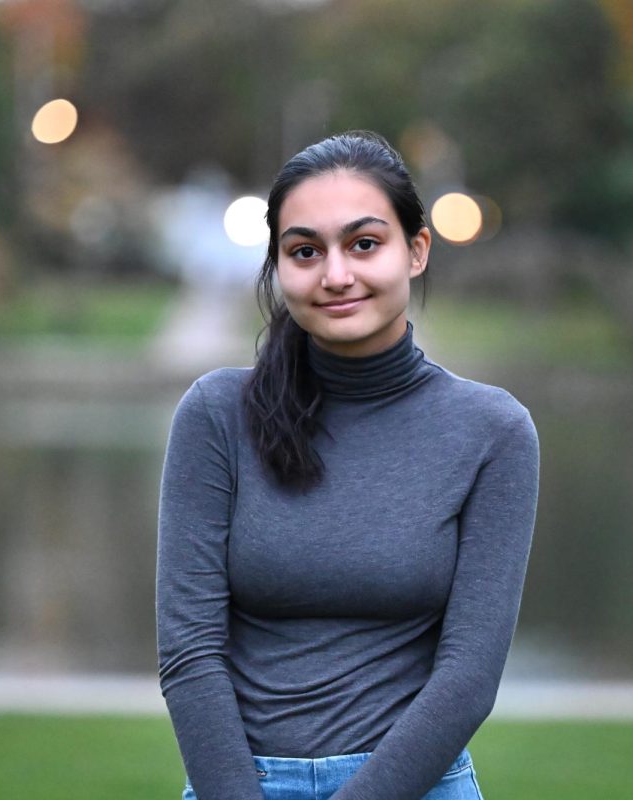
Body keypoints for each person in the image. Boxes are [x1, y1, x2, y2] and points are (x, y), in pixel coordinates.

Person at [156, 130, 540, 800]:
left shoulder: (492, 431)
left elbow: (470, 675)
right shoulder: (217, 414)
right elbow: (190, 652)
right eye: (305, 251)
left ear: (416, 251)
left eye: (365, 243)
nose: (336, 275)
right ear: (278, 267)